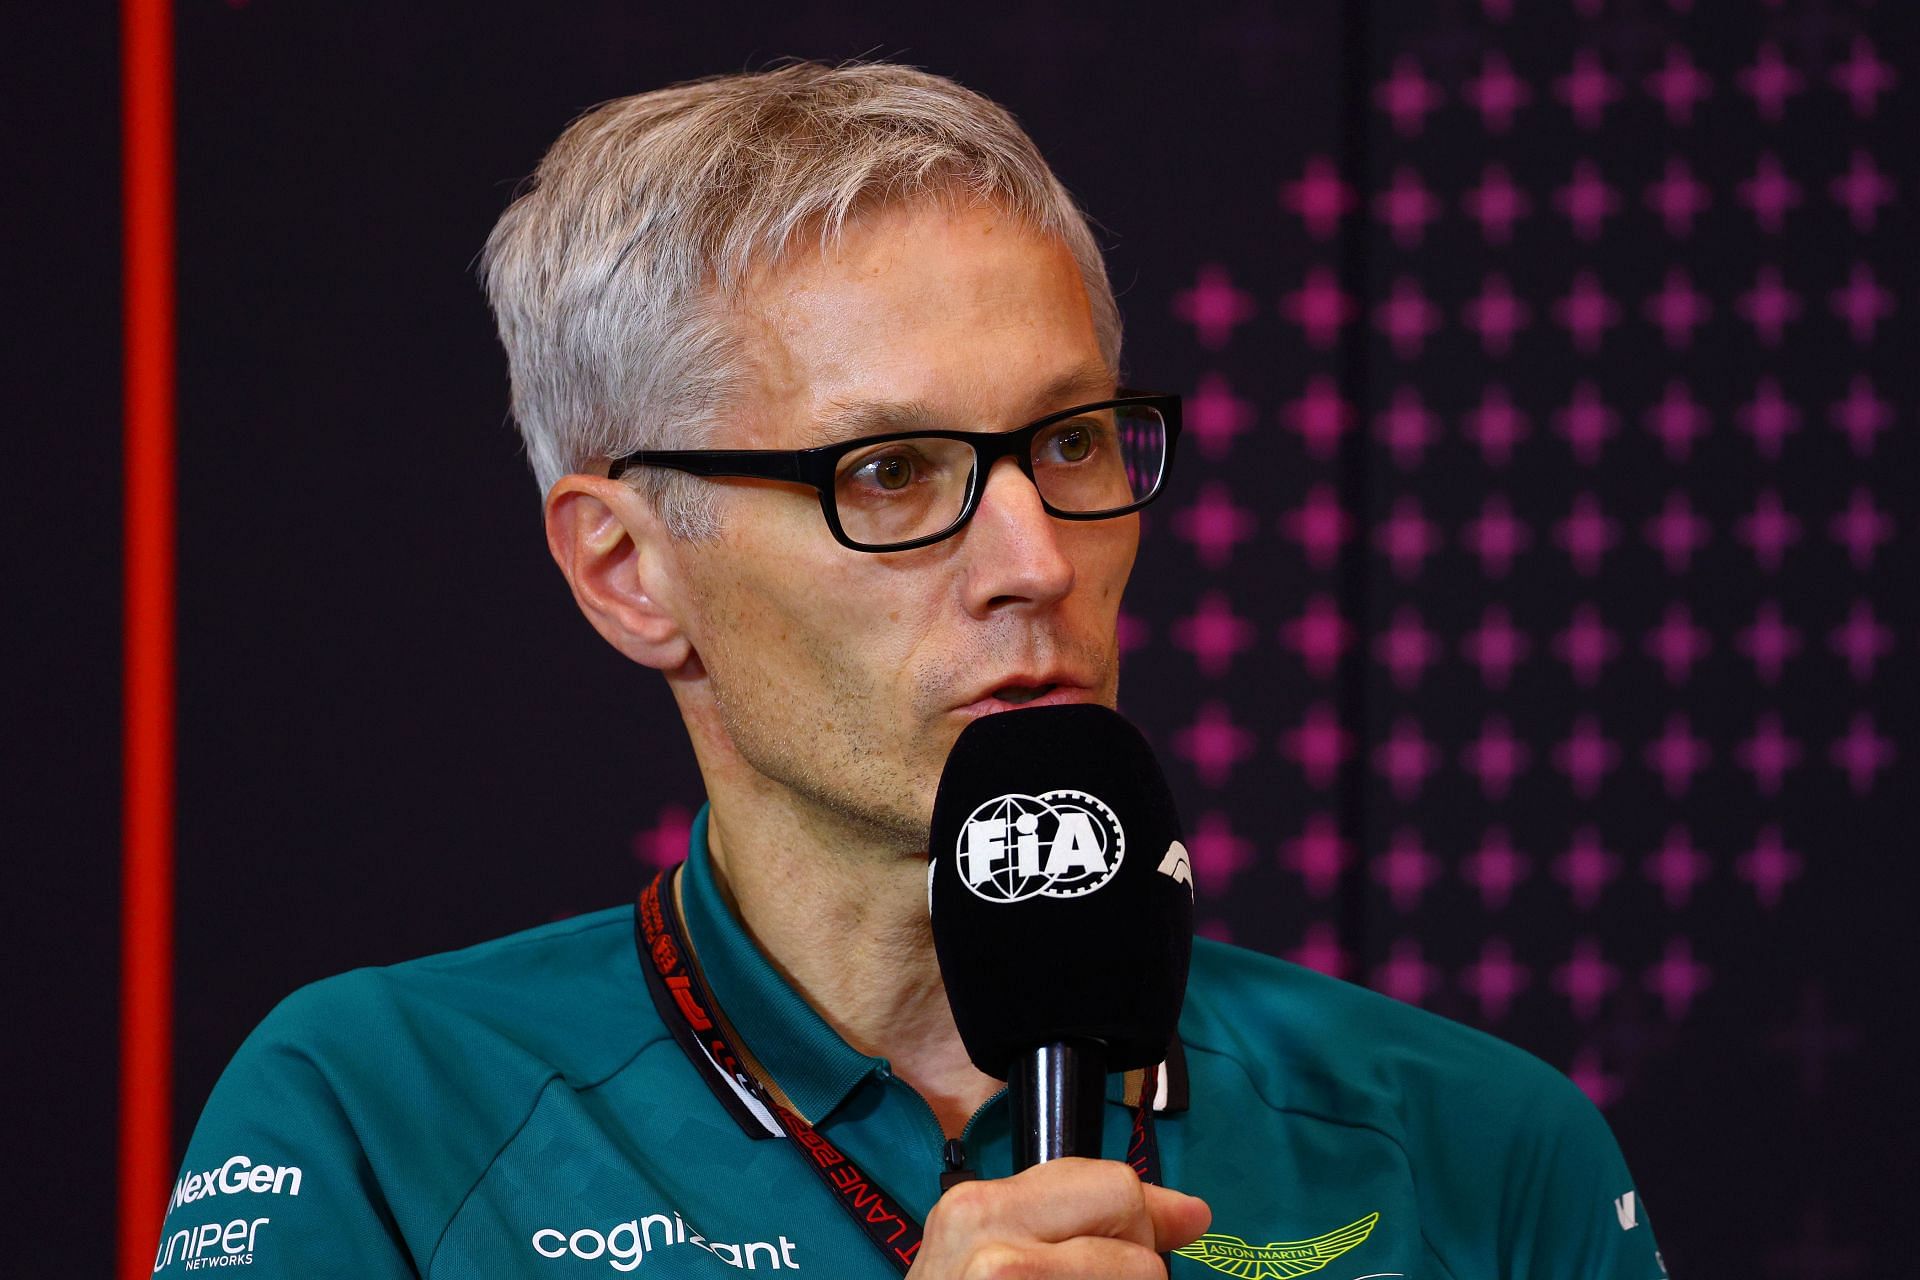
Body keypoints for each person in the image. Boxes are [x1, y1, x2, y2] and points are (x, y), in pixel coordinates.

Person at [158, 62, 1667, 1278]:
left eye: (1069, 442)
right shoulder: (375, 1115)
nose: (1036, 559)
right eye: (888, 472)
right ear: (632, 571)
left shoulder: (1479, 1149)